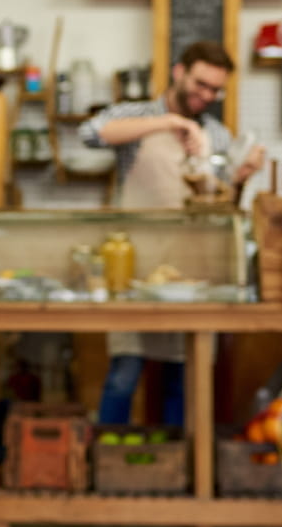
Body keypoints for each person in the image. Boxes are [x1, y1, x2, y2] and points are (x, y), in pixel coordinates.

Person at [77, 41, 266, 426]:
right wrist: (169, 122)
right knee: (123, 375)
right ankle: (110, 469)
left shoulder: (216, 133)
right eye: (200, 84)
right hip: (133, 267)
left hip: (190, 273)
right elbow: (90, 132)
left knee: (185, 379)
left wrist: (241, 179)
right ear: (179, 72)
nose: (206, 95)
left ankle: (175, 468)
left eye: (215, 89)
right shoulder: (140, 115)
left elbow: (222, 203)